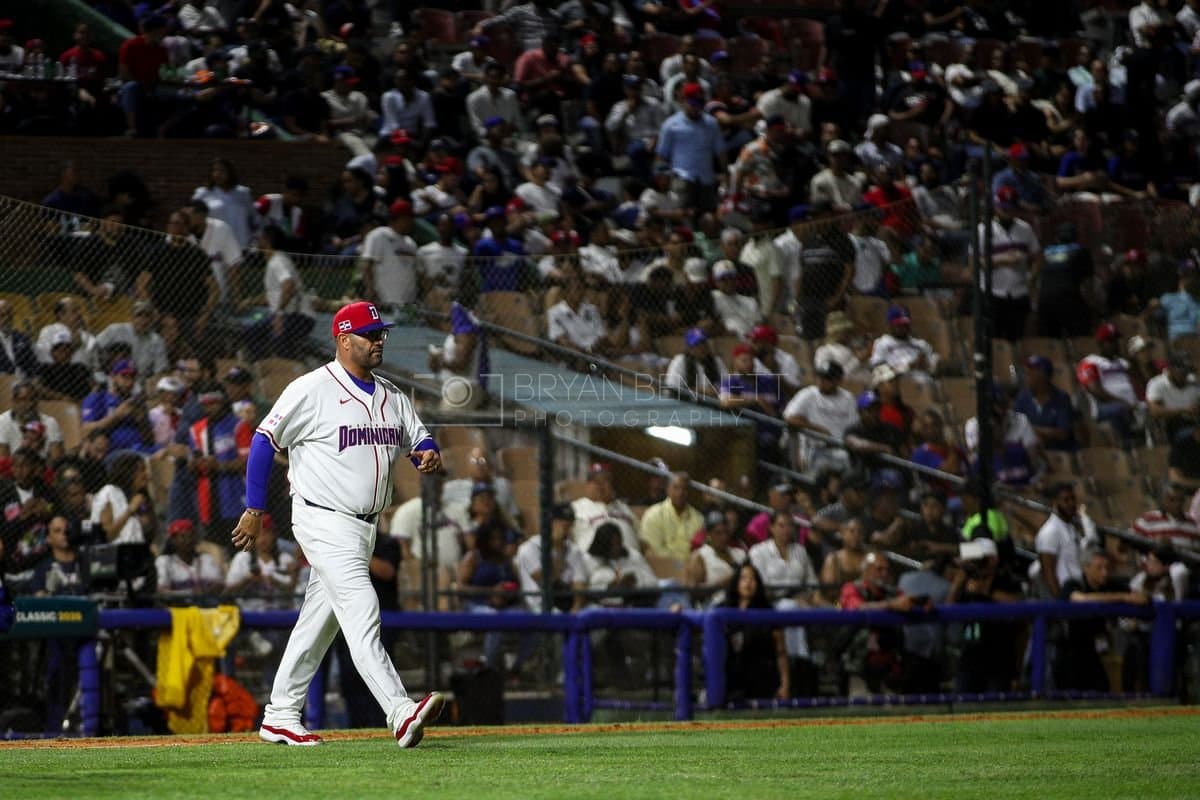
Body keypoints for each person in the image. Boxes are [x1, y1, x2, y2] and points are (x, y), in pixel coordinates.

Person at [231, 301, 444, 748]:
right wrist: (254, 508)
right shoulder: (310, 389)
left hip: (366, 526)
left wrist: (427, 451)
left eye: (381, 333)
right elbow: (264, 442)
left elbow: (417, 434)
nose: (379, 340)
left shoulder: (391, 394)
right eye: (370, 334)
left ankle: (280, 714)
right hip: (322, 518)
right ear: (344, 340)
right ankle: (400, 712)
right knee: (361, 610)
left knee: (320, 621)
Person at [1056, 547, 1147, 692]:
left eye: (1107, 568)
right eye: (1099, 568)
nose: (1104, 572)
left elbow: (1141, 597)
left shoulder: (1110, 584)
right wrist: (1121, 598)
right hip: (1070, 651)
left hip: (1097, 651)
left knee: (1102, 689)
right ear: (1086, 568)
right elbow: (1080, 599)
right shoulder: (1073, 583)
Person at [721, 563, 791, 701]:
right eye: (743, 578)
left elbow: (781, 652)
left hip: (762, 679)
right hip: (732, 682)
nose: (748, 583)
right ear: (736, 582)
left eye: (752, 579)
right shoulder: (723, 610)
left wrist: (785, 685)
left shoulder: (768, 612)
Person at [783, 361, 857, 474]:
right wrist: (819, 430)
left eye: (827, 378)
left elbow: (854, 425)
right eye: (820, 377)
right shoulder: (808, 394)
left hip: (842, 449)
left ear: (838, 380)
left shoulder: (848, 398)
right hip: (816, 448)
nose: (821, 381)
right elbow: (790, 418)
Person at [1076, 323, 1145, 444]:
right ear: (1101, 344)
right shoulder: (1089, 362)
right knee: (1118, 410)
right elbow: (1095, 390)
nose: (1115, 345)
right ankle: (1127, 443)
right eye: (1111, 341)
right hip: (1104, 407)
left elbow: (1138, 385)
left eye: (1116, 341)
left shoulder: (1123, 363)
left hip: (1131, 405)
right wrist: (1122, 402)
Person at [514, 503, 587, 613]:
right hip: (538, 606)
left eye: (569, 523)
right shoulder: (529, 548)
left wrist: (577, 607)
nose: (566, 527)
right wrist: (558, 547)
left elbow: (579, 583)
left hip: (567, 603)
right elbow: (546, 580)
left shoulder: (574, 550)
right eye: (561, 522)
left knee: (593, 614)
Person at [1013, 355, 1077, 452]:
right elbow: (1016, 428)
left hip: (1060, 452)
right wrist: (1044, 432)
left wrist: (1031, 429)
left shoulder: (1061, 398)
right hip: (1031, 451)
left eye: (1031, 373)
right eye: (1027, 373)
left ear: (1044, 376)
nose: (1027, 376)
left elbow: (1062, 433)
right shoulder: (1023, 397)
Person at [89, 451, 154, 544]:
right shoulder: (109, 492)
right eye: (142, 470)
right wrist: (130, 510)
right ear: (129, 472)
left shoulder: (139, 497)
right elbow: (105, 536)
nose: (147, 474)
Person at [685, 510, 747, 607]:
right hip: (715, 606)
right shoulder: (700, 556)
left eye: (726, 532)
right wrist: (725, 582)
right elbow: (693, 593)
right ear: (709, 534)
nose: (724, 537)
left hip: (742, 603)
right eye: (718, 533)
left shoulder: (740, 554)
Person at [639, 471, 703, 561]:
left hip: (690, 567)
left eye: (684, 489)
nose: (680, 493)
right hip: (661, 566)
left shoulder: (698, 518)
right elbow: (653, 550)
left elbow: (698, 551)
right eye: (676, 488)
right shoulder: (653, 514)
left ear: (690, 492)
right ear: (668, 490)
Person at [155, 519, 225, 597]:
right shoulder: (165, 561)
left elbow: (220, 585)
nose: (188, 540)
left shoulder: (206, 559)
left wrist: (206, 591)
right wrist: (190, 593)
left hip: (207, 606)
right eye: (183, 537)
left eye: (191, 536)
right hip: (176, 607)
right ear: (173, 540)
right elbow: (161, 592)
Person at [0, 381, 64, 462]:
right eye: (23, 399)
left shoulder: (50, 422)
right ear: (14, 401)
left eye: (32, 399)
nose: (30, 404)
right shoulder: (2, 421)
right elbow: (2, 460)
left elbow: (57, 460)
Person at [1146, 353, 1200, 441]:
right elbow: (1154, 411)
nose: (1185, 375)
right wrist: (1184, 410)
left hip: (1194, 422)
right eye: (1182, 372)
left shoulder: (1192, 381)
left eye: (1187, 371)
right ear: (1170, 369)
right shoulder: (1156, 383)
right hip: (1172, 427)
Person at [0, 299, 38, 379]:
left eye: (9, 315)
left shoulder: (23, 338)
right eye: (2, 315)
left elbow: (33, 364)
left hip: (24, 381)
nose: (6, 319)